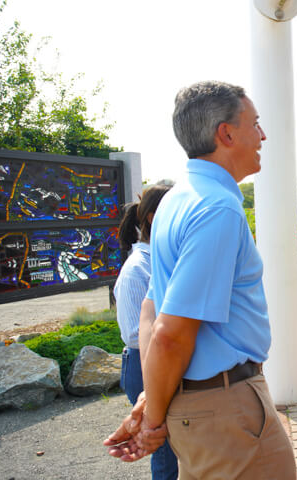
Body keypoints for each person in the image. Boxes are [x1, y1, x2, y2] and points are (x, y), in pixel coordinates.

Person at [104, 81, 297, 479]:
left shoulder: (178, 198)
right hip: (225, 409)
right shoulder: (216, 209)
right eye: (255, 124)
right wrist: (152, 420)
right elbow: (171, 333)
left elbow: (151, 310)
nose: (263, 135)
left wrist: (149, 399)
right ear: (225, 133)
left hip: (201, 406)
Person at [114, 183, 178, 480]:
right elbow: (131, 332)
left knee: (172, 447)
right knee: (164, 453)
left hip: (158, 360)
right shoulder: (137, 268)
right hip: (143, 363)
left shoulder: (160, 260)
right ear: (155, 217)